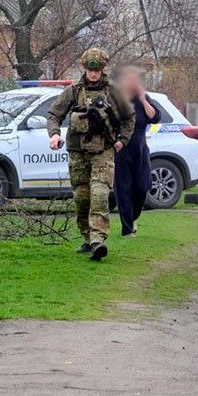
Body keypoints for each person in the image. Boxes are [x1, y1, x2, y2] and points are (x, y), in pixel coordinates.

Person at [46, 48, 134, 261]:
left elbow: (129, 119)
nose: (93, 74)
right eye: (90, 70)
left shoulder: (113, 91)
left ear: (103, 69)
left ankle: (98, 241)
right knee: (82, 198)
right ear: (84, 69)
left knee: (100, 195)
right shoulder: (74, 91)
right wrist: (54, 135)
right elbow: (53, 115)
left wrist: (122, 141)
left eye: (97, 70)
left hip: (103, 151)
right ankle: (87, 237)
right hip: (77, 152)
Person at [113, 64, 159, 236]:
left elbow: (154, 117)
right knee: (123, 188)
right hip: (121, 147)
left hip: (140, 146)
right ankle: (127, 229)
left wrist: (142, 99)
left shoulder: (143, 98)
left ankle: (133, 217)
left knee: (142, 186)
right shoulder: (116, 98)